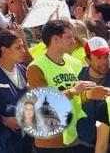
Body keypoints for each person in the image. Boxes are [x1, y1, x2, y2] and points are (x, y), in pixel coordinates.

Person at [27, 19, 109, 151]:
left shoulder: (74, 63)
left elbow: (76, 101)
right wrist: (73, 91)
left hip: (73, 138)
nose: (73, 41)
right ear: (55, 39)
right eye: (69, 37)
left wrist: (88, 95)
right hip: (50, 142)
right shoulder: (36, 67)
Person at [77, 37, 110, 151]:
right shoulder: (76, 77)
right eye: (99, 58)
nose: (104, 62)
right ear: (88, 60)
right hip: (81, 143)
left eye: (106, 57)